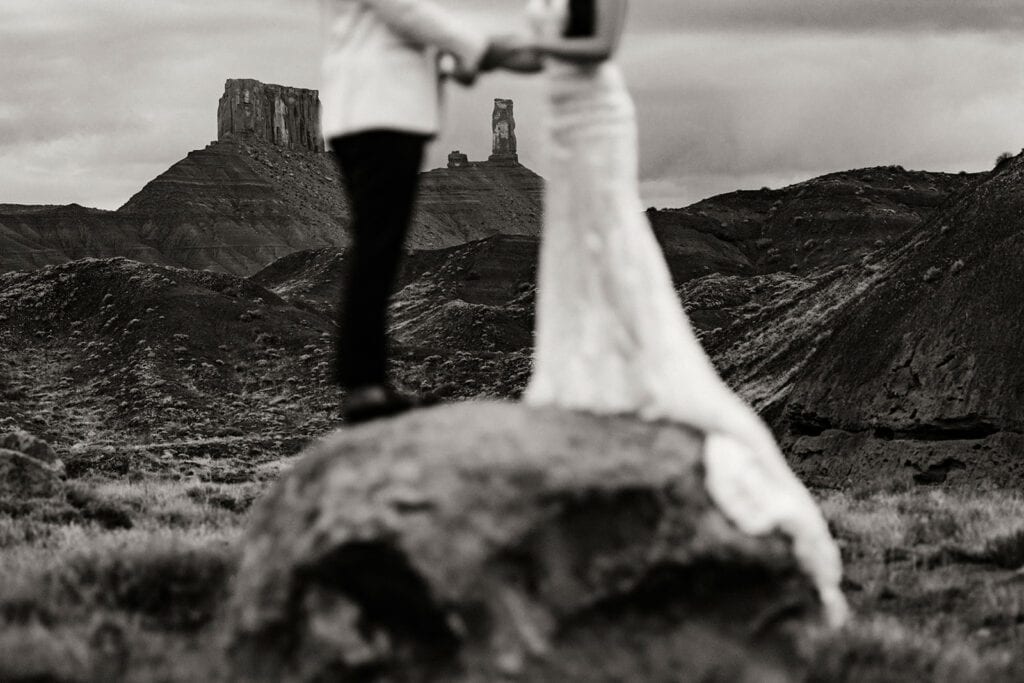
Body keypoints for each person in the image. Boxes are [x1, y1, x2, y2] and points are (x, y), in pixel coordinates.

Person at [520, 0, 849, 627]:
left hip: (592, 113)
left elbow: (597, 48)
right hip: (561, 118)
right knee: (570, 241)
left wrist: (523, 53)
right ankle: (586, 365)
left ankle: (626, 367)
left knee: (606, 237)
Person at [319, 0, 535, 423]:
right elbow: (408, 14)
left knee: (380, 247)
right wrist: (473, 47)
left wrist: (456, 59)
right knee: (378, 246)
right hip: (380, 119)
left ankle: (367, 380)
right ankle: (362, 384)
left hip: (371, 115)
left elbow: (404, 33)